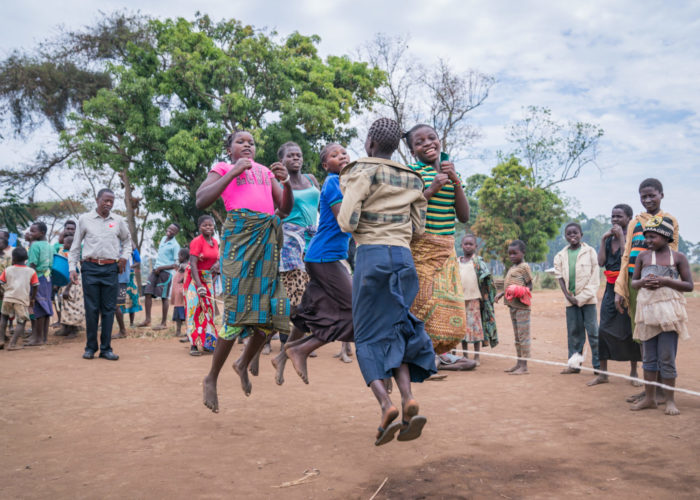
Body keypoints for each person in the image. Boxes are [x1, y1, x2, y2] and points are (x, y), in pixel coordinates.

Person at [338, 118, 436, 446]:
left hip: (372, 258)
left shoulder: (358, 170)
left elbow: (347, 222)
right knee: (398, 330)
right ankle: (408, 397)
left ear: (369, 143)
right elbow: (419, 228)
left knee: (365, 337)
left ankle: (386, 404)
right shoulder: (411, 178)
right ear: (396, 146)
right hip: (403, 259)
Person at [196, 130, 293, 411]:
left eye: (251, 142)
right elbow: (202, 200)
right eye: (241, 142)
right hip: (239, 243)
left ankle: (241, 363)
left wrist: (285, 183)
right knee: (237, 313)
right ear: (229, 150)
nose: (248, 145)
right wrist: (234, 172)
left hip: (265, 242)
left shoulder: (265, 172)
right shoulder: (223, 168)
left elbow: (284, 210)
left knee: (271, 312)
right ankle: (211, 378)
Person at [274, 143, 354, 385]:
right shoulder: (331, 182)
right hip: (310, 251)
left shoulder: (323, 181)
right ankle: (301, 349)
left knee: (308, 311)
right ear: (325, 164)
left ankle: (282, 357)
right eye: (334, 154)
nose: (341, 156)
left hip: (317, 248)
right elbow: (344, 221)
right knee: (352, 309)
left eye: (343, 152)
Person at [404, 124, 470, 359]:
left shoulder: (452, 171)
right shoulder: (411, 172)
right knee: (421, 302)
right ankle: (419, 355)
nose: (427, 144)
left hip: (445, 248)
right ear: (413, 151)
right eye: (419, 142)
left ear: (439, 140)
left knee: (447, 302)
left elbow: (463, 216)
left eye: (431, 138)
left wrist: (455, 181)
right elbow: (406, 209)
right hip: (421, 248)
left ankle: (436, 353)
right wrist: (431, 189)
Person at [613, 178, 679, 403]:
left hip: (660, 285)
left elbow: (673, 253)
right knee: (642, 335)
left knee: (661, 331)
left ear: (661, 194)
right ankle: (650, 389)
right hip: (636, 282)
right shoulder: (634, 223)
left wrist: (662, 280)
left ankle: (661, 389)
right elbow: (626, 255)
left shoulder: (669, 220)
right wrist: (620, 289)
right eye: (644, 196)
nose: (648, 200)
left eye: (652, 195)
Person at [629, 216, 692, 415]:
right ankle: (649, 398)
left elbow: (689, 285)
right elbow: (634, 282)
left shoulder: (678, 258)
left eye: (652, 237)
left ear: (666, 237)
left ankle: (670, 400)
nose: (648, 241)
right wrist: (643, 283)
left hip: (669, 313)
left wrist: (665, 281)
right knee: (649, 357)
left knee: (666, 357)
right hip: (647, 311)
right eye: (646, 237)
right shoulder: (643, 257)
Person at [69, 188, 131, 361]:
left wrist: (124, 258)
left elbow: (127, 241)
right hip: (90, 268)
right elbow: (75, 246)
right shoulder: (84, 219)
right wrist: (72, 268)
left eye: (112, 201)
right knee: (92, 309)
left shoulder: (118, 220)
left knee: (109, 309)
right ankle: (90, 347)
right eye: (105, 200)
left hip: (111, 269)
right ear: (97, 200)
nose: (109, 204)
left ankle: (106, 349)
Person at [588, 204, 641, 387]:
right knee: (603, 329)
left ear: (629, 218)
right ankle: (603, 373)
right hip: (610, 289)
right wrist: (603, 240)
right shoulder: (609, 240)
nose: (615, 220)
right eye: (613, 216)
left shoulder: (633, 238)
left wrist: (621, 237)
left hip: (627, 288)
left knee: (630, 329)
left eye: (619, 216)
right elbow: (601, 262)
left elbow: (628, 259)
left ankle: (634, 372)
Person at [553, 222, 600, 375]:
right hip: (570, 301)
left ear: (581, 235)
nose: (572, 236)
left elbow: (594, 279)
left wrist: (580, 298)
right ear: (565, 236)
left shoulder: (590, 252)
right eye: (569, 234)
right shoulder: (560, 255)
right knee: (574, 333)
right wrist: (568, 296)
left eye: (575, 233)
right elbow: (559, 277)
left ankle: (598, 366)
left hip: (588, 300)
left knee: (593, 333)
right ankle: (574, 366)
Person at [458, 233, 498, 366]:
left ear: (475, 246)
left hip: (474, 300)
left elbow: (487, 280)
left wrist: (486, 298)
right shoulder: (456, 262)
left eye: (471, 244)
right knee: (462, 329)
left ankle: (477, 356)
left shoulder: (478, 262)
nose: (468, 246)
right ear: (461, 245)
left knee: (475, 329)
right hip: (459, 300)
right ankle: (465, 355)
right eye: (465, 244)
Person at [495, 240, 533, 375]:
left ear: (523, 253)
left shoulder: (524, 267)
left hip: (522, 307)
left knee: (523, 336)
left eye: (514, 253)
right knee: (517, 337)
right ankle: (518, 363)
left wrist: (521, 291)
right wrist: (500, 294)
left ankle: (524, 366)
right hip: (512, 306)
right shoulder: (511, 268)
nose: (511, 256)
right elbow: (508, 286)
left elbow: (530, 286)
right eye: (510, 254)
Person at [185, 215, 219, 356]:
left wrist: (217, 265)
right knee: (194, 310)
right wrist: (199, 286)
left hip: (208, 279)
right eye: (205, 225)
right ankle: (194, 344)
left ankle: (207, 344)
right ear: (200, 227)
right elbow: (193, 263)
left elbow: (217, 258)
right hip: (195, 279)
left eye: (210, 225)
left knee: (208, 311)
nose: (208, 227)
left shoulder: (215, 242)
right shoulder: (196, 242)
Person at [138, 223, 181, 330]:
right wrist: (158, 268)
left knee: (163, 297)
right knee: (147, 292)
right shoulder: (162, 239)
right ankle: (147, 320)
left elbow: (176, 265)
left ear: (176, 233)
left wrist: (161, 268)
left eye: (173, 230)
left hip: (166, 273)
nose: (170, 230)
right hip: (155, 270)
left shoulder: (175, 245)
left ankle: (163, 323)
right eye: (169, 228)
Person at [0, 247, 39, 350]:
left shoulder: (7, 269)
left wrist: (2, 293)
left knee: (4, 317)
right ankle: (12, 344)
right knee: (21, 321)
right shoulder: (31, 271)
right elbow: (35, 286)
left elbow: (1, 283)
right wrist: (32, 299)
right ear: (26, 258)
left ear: (13, 259)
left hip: (7, 297)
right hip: (21, 299)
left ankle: (1, 340)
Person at [25, 221, 53, 346]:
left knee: (38, 308)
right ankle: (43, 338)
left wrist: (27, 280)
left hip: (36, 278)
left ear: (41, 233)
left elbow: (32, 264)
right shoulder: (49, 245)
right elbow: (52, 263)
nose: (30, 234)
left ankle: (37, 339)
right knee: (45, 307)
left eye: (33, 231)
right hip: (47, 278)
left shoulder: (35, 246)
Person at [57, 235, 84, 338]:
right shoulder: (67, 255)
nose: (63, 245)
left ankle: (74, 330)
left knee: (74, 307)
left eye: (65, 243)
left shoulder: (74, 256)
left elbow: (74, 274)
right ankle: (67, 328)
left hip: (73, 286)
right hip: (68, 285)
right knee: (66, 307)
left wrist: (67, 288)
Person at [119, 245, 143, 326]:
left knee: (132, 298)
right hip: (119, 275)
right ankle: (121, 324)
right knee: (120, 298)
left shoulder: (131, 246)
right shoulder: (116, 243)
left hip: (131, 276)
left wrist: (129, 267)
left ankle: (131, 323)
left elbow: (138, 261)